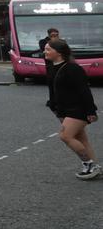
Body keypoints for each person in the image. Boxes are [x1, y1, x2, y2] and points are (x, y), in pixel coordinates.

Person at [44, 38, 99, 180]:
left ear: (59, 52)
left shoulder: (73, 68)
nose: (45, 51)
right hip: (63, 109)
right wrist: (53, 106)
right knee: (81, 139)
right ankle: (95, 167)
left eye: (49, 49)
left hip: (78, 109)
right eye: (45, 48)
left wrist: (91, 111)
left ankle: (89, 165)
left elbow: (84, 90)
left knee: (65, 136)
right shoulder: (51, 67)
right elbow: (53, 89)